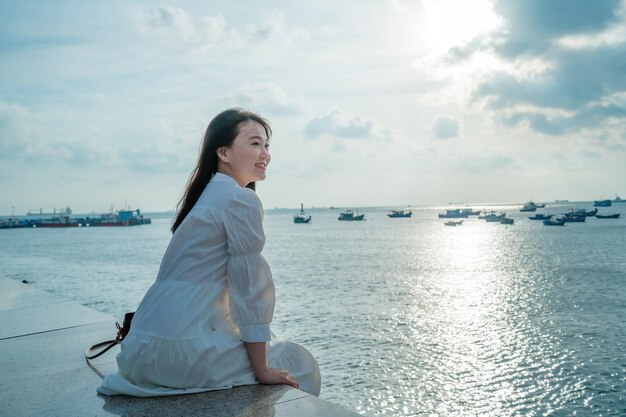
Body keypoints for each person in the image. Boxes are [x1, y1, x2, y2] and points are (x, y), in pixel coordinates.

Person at [97, 108, 321, 397]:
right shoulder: (241, 199)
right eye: (255, 143)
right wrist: (263, 371)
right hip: (180, 353)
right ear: (223, 153)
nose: (265, 153)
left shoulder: (204, 196)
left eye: (267, 145)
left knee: (267, 345)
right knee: (299, 362)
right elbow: (249, 290)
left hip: (141, 349)